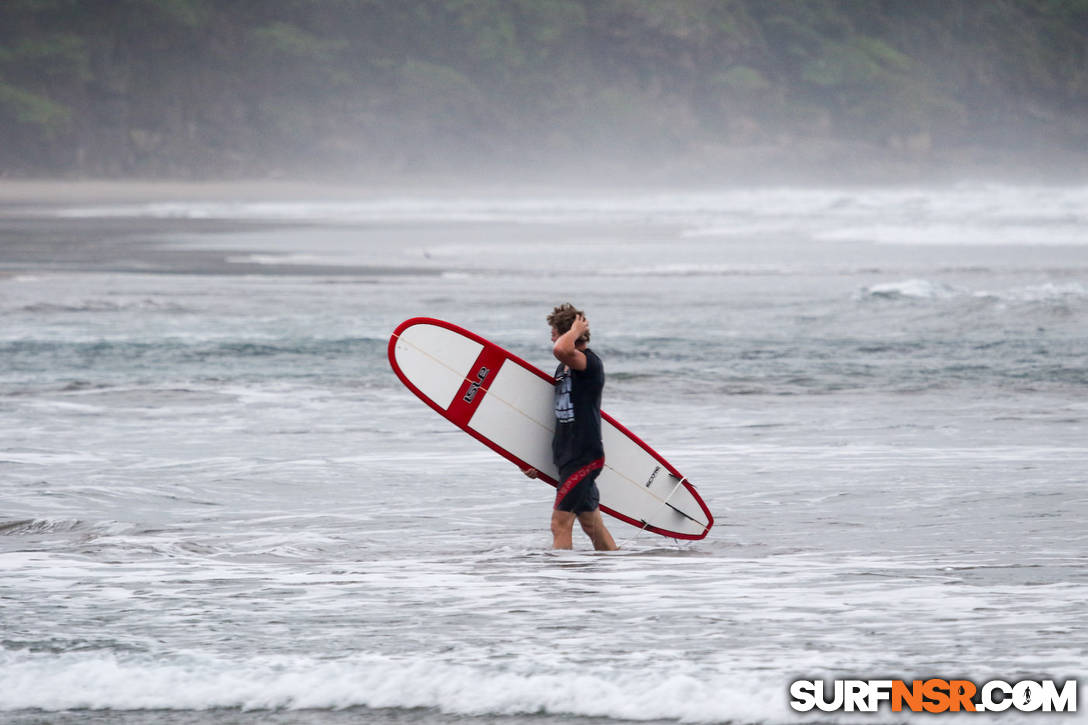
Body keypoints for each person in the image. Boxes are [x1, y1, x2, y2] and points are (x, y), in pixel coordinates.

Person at [521, 304, 618, 551]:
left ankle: (562, 580)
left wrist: (573, 331)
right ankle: (614, 567)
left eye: (554, 330)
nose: (551, 336)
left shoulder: (589, 364)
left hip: (583, 456)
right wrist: (537, 461)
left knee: (559, 523)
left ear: (567, 333)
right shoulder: (564, 367)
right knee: (590, 523)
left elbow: (560, 348)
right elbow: (554, 416)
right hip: (567, 455)